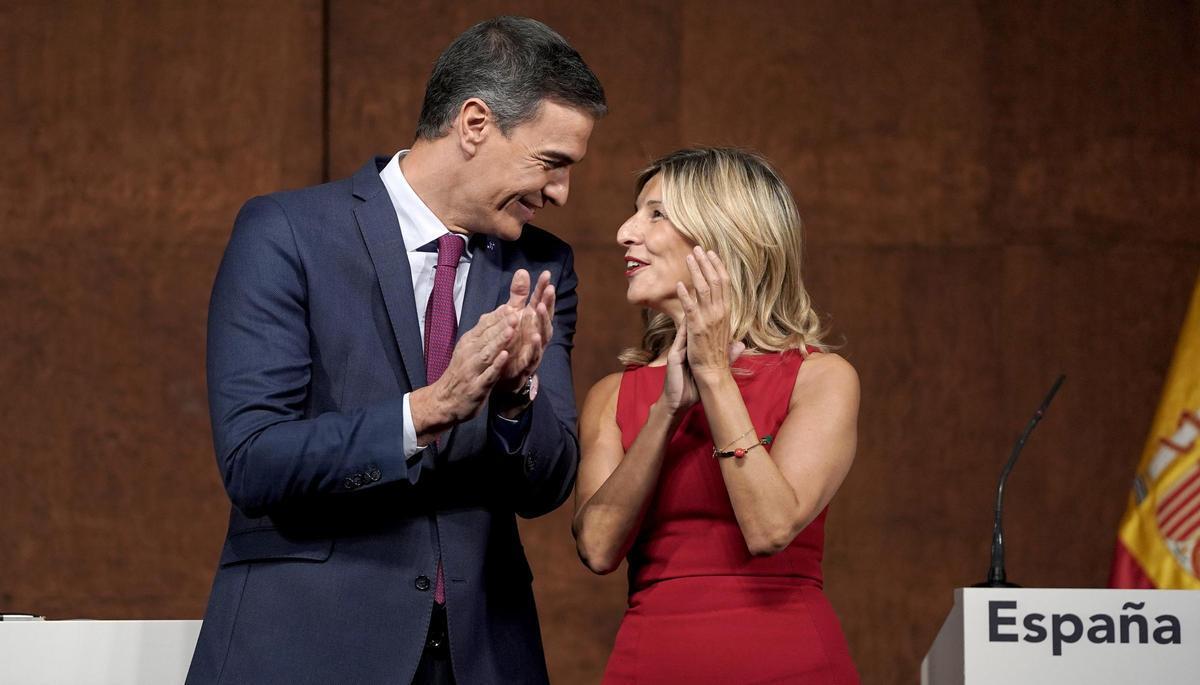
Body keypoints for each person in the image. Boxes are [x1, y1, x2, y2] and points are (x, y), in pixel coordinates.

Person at [187, 17, 605, 685]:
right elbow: (254, 459)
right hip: (307, 646)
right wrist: (429, 408)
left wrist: (515, 400)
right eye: (551, 162)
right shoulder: (286, 232)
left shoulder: (543, 265)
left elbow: (548, 485)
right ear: (474, 124)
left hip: (482, 655)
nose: (559, 193)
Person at [574, 148, 860, 683]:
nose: (625, 232)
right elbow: (596, 547)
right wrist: (665, 411)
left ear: (723, 236)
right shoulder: (614, 395)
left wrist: (714, 377)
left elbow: (771, 527)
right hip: (651, 663)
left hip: (790, 663)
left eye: (655, 213)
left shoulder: (821, 378)